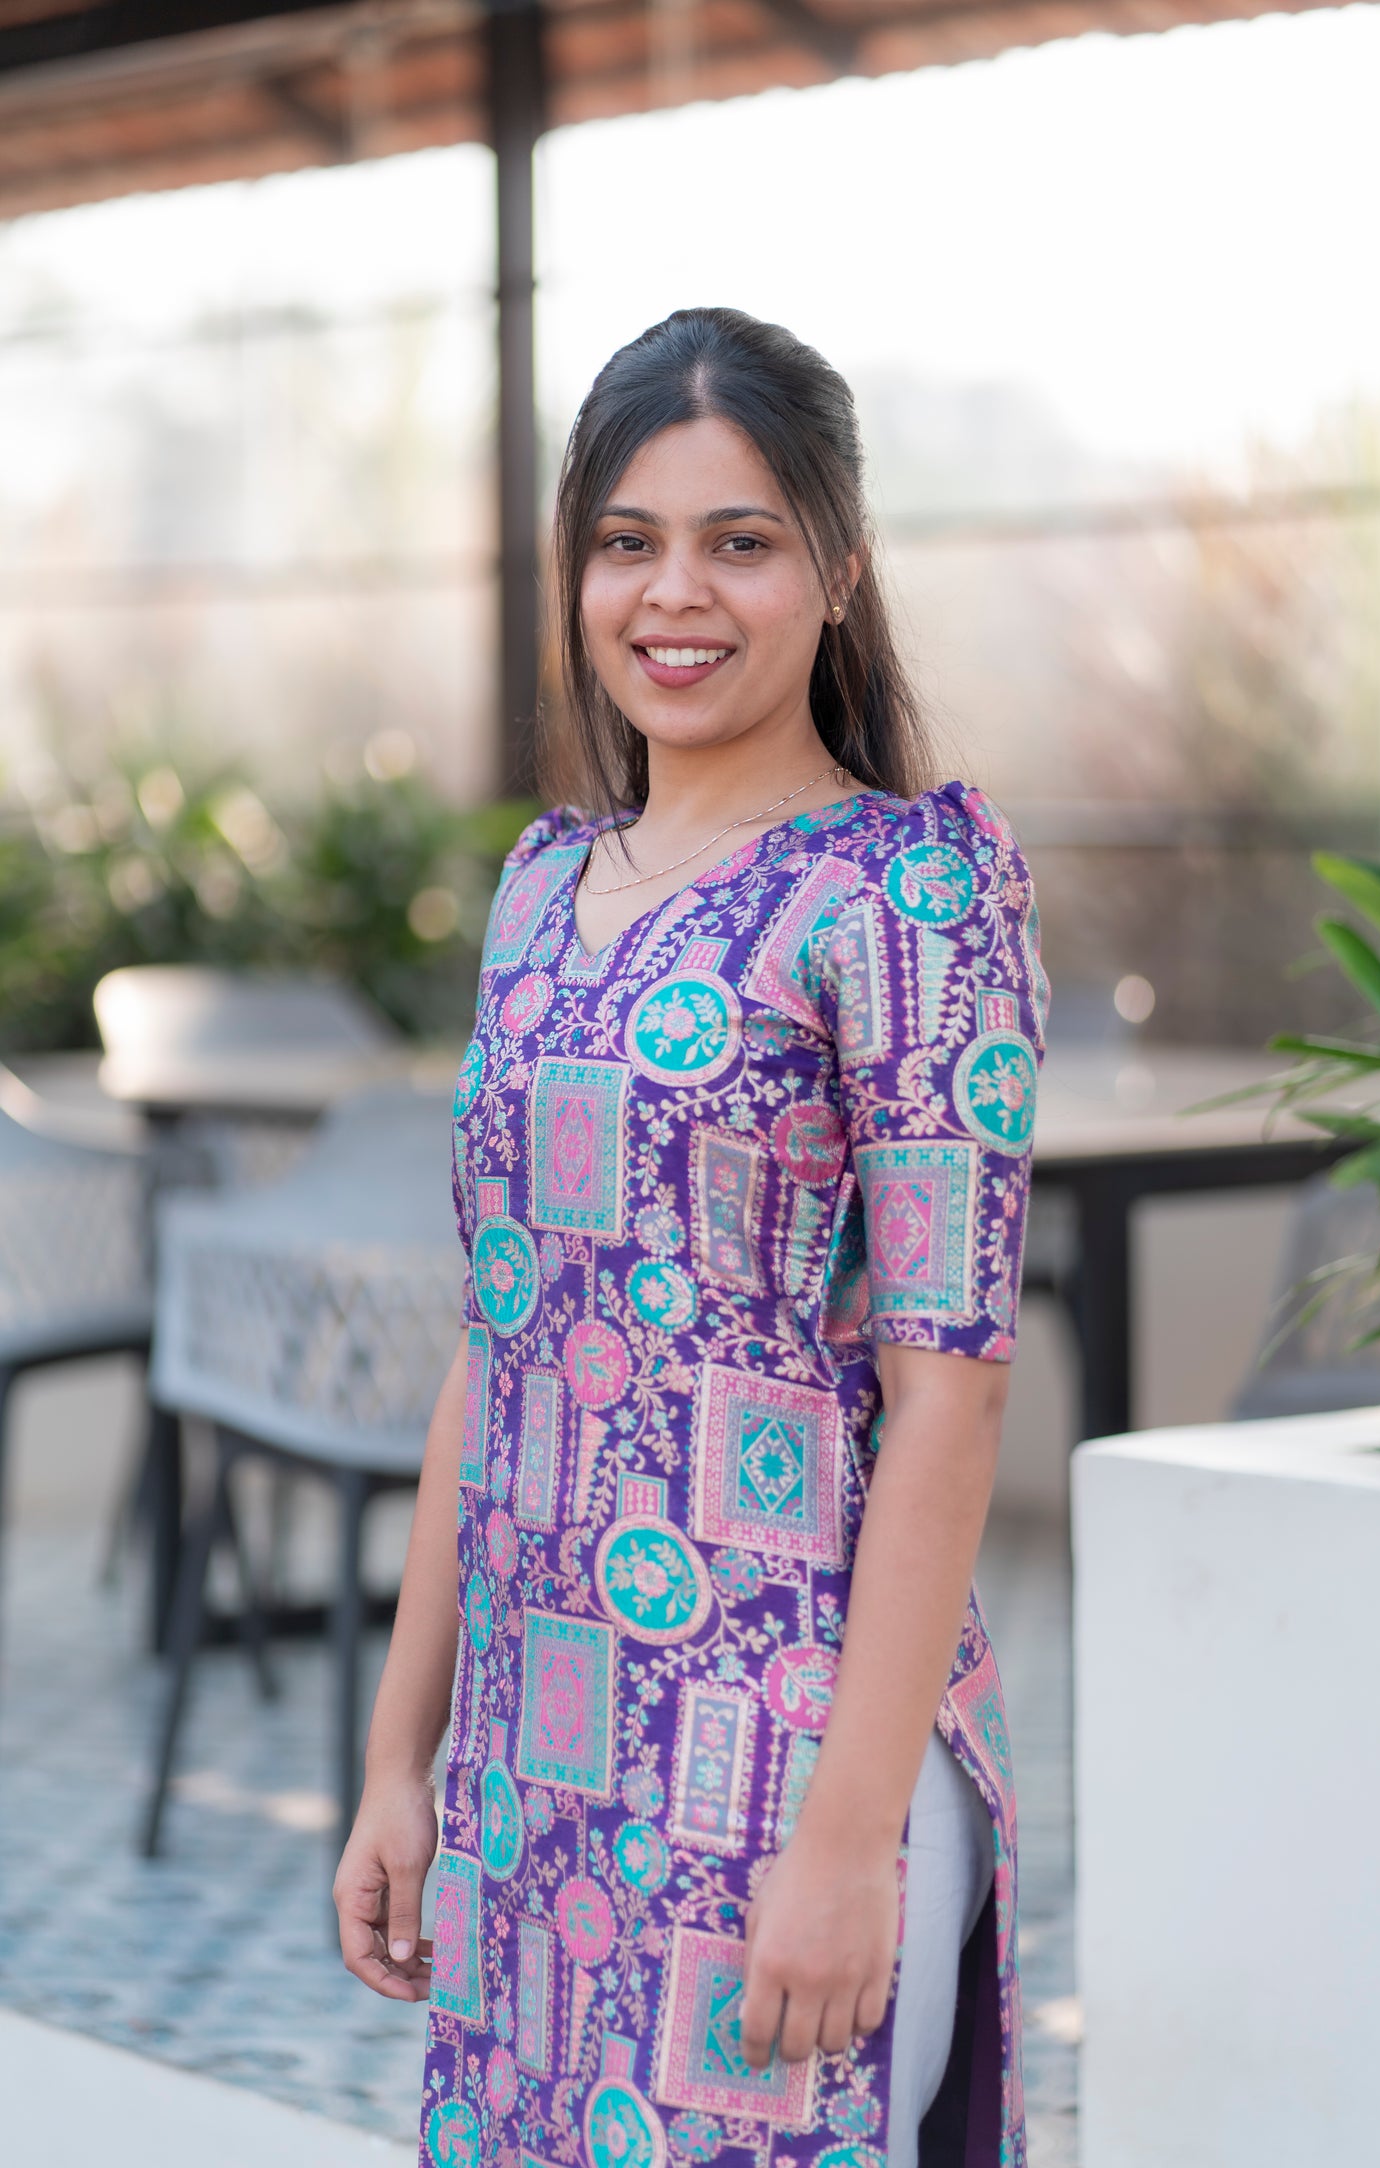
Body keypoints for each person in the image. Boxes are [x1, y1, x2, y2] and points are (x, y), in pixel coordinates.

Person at [334, 306, 1047, 2168]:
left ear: (838, 565)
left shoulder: (906, 894)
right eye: (628, 540)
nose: (678, 593)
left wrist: (841, 1841)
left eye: (741, 540)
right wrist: (398, 1760)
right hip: (529, 1760)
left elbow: (952, 1396)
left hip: (779, 1749)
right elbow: (498, 1348)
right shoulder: (544, 883)